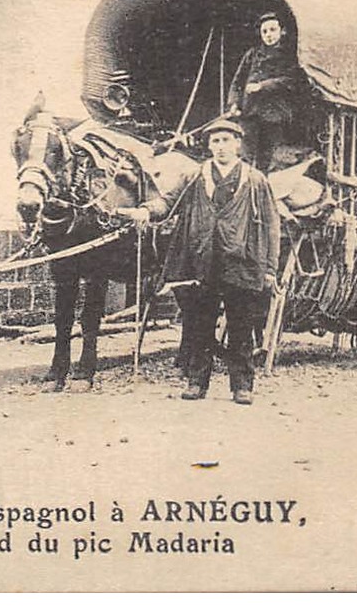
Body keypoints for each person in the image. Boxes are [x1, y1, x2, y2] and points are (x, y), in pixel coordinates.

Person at [118, 117, 280, 405]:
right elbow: (168, 202)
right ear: (208, 146)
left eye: (226, 141)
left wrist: (269, 268)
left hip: (242, 263)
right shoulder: (195, 177)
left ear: (238, 144)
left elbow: (270, 225)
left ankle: (242, 386)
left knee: (241, 325)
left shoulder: (255, 181)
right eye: (215, 141)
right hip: (201, 261)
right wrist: (146, 211)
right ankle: (196, 382)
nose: (221, 147)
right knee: (198, 324)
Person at [226, 12, 304, 170]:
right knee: (244, 154)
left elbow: (292, 81)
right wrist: (234, 103)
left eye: (273, 30)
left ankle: (261, 189)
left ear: (282, 31)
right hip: (249, 113)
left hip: (274, 115)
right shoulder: (252, 54)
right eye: (265, 31)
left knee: (267, 158)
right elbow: (238, 81)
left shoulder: (289, 55)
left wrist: (263, 86)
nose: (269, 35)